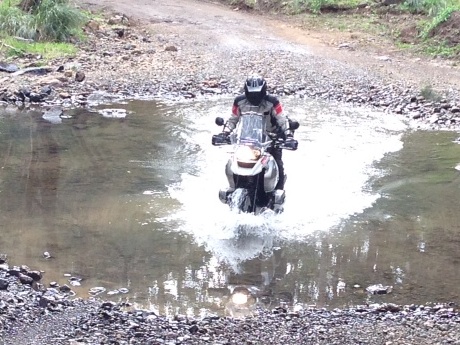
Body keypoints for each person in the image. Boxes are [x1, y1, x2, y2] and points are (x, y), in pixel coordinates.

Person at [223, 75, 293, 190]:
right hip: (246, 139)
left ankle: (278, 193)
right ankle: (232, 188)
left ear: (263, 91)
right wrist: (224, 133)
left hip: (270, 139)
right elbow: (233, 119)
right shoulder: (239, 102)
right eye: (251, 93)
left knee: (278, 164)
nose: (254, 96)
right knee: (233, 161)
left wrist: (289, 136)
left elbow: (282, 119)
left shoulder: (273, 102)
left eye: (257, 93)